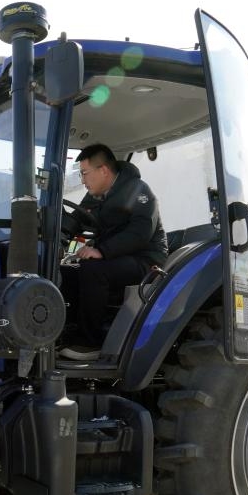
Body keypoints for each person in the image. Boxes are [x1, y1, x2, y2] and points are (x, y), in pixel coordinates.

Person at [59, 143, 168, 360]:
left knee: (93, 271)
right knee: (66, 272)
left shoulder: (139, 190)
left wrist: (102, 250)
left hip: (145, 260)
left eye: (84, 173)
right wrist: (59, 235)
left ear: (104, 171)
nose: (82, 180)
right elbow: (78, 219)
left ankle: (91, 342)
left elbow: (140, 233)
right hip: (117, 257)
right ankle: (67, 332)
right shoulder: (96, 195)